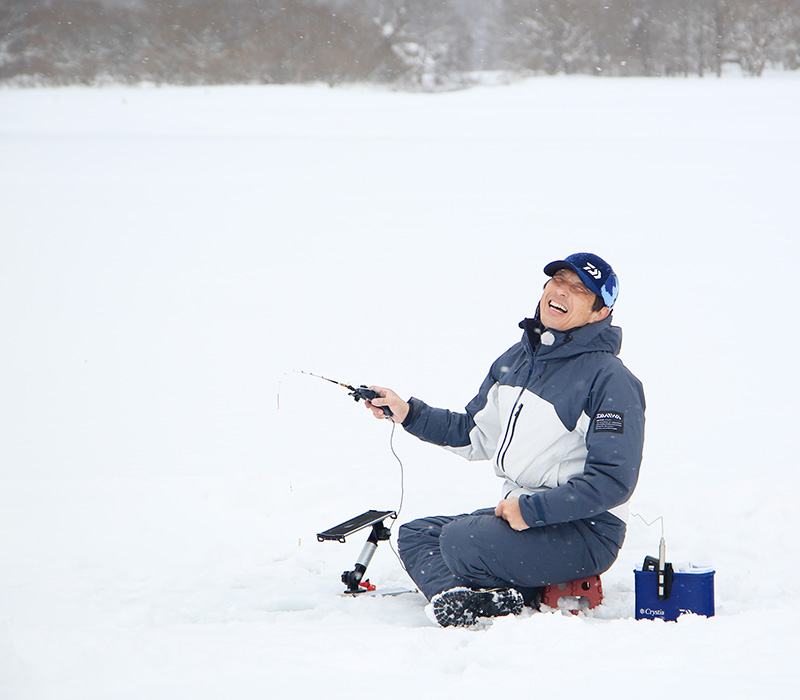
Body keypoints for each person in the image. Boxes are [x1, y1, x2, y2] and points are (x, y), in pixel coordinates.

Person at [366, 252, 645, 628]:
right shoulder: (516, 361)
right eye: (559, 281)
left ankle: (505, 590)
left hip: (585, 530)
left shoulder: (609, 378)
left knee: (463, 541)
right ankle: (471, 600)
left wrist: (532, 511)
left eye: (579, 290)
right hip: (524, 514)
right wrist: (409, 413)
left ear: (599, 313)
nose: (563, 291)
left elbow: (614, 481)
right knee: (419, 534)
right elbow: (473, 433)